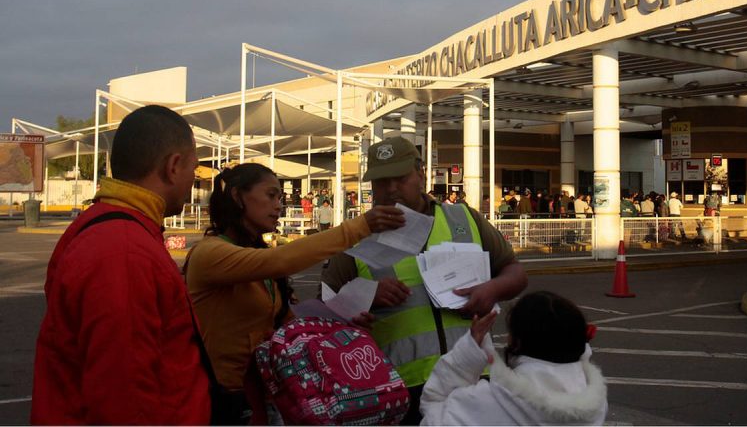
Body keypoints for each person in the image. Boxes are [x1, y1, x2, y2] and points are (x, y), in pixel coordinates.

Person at [321, 136, 528, 424]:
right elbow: (321, 313)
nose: (391, 188)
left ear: (420, 174)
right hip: (399, 388)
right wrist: (365, 296)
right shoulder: (355, 238)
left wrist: (492, 288)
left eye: (400, 178)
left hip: (472, 377)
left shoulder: (463, 219)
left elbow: (515, 273)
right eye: (381, 181)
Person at [183, 163, 404, 423]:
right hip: (221, 400)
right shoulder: (210, 254)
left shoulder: (258, 256)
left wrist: (339, 327)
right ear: (237, 196)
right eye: (271, 195)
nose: (279, 206)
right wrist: (359, 227)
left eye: (280, 197)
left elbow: (287, 329)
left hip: (265, 395)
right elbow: (280, 260)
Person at [31, 105, 211, 425]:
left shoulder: (108, 226)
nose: (193, 180)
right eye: (193, 169)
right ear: (173, 166)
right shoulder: (124, 251)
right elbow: (123, 397)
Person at [419, 291, 607, 426]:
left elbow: (433, 412)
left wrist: (467, 353)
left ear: (516, 342)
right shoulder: (594, 400)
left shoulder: (491, 400)